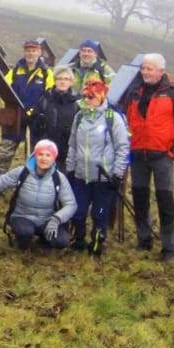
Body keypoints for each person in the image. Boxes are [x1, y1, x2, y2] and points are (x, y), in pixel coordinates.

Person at [122, 53, 174, 261]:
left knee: (165, 200)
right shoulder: (134, 92)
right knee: (140, 198)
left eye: (150, 69)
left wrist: (173, 152)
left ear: (161, 71)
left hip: (162, 156)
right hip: (138, 154)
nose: (145, 72)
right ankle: (144, 240)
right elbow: (126, 120)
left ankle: (170, 248)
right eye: (143, 68)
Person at [65, 79, 129, 257]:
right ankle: (78, 239)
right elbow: (72, 145)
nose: (87, 100)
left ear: (101, 97)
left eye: (91, 97)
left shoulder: (112, 118)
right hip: (80, 176)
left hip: (103, 179)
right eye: (85, 97)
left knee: (100, 214)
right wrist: (70, 169)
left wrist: (117, 174)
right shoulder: (79, 117)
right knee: (77, 212)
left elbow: (122, 147)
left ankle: (96, 243)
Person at [0, 140, 76, 250]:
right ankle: (22, 240)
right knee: (25, 232)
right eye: (40, 154)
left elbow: (71, 205)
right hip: (22, 216)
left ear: (53, 159)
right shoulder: (22, 172)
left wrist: (56, 219)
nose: (44, 158)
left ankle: (44, 239)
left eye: (48, 155)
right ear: (34, 155)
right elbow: (0, 184)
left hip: (46, 219)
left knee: (61, 241)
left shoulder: (59, 178)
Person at [0, 39, 55, 173]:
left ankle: (31, 182)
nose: (30, 53)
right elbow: (3, 89)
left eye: (33, 50)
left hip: (36, 120)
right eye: (28, 50)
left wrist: (37, 111)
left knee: (35, 154)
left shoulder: (46, 73)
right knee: (5, 153)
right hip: (14, 117)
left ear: (39, 52)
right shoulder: (15, 71)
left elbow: (50, 96)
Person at [34, 65, 79, 170]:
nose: (62, 82)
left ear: (71, 82)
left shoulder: (77, 103)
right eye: (59, 78)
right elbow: (35, 126)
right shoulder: (45, 99)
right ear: (54, 80)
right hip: (46, 151)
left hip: (68, 152)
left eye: (66, 79)